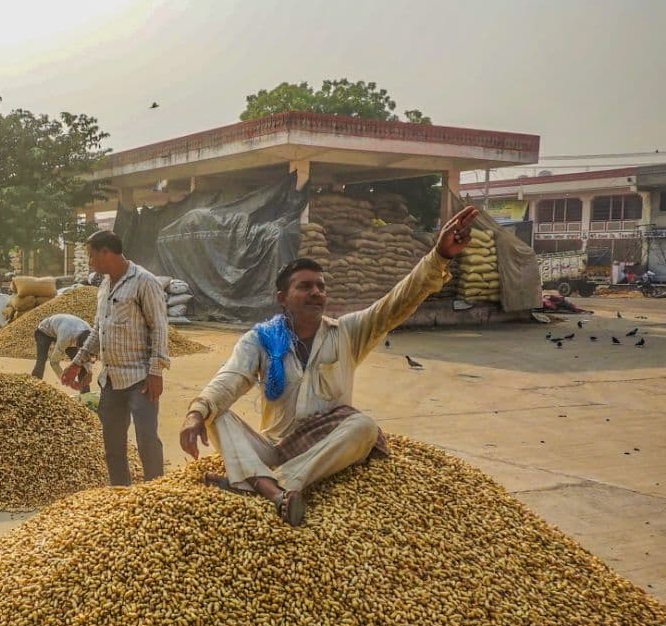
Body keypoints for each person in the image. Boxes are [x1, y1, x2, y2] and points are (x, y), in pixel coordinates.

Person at [179, 206, 479, 526]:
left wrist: (439, 257)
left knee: (363, 427)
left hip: (325, 451)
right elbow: (231, 377)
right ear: (282, 297)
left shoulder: (347, 333)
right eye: (305, 287)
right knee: (217, 414)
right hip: (273, 447)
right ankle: (268, 484)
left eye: (320, 286)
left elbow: (396, 303)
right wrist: (196, 412)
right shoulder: (262, 339)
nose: (316, 293)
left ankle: (269, 485)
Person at [62, 230, 169, 486]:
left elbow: (160, 328)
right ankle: (120, 495)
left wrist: (156, 372)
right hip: (110, 379)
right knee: (113, 444)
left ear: (105, 253)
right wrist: (78, 362)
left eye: (91, 256)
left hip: (140, 378)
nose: (90, 262)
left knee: (146, 441)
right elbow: (99, 330)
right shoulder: (104, 286)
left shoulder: (144, 281)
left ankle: (156, 493)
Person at [32, 313, 92, 389]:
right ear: (77, 343)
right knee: (41, 360)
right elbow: (54, 362)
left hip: (64, 329)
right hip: (44, 332)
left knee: (81, 363)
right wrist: (67, 380)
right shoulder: (65, 339)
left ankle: (85, 395)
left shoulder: (91, 334)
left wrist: (90, 372)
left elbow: (87, 357)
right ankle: (33, 387)